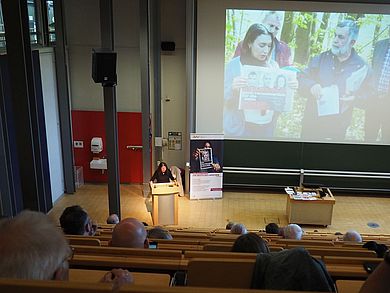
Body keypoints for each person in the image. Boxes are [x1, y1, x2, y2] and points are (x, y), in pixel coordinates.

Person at [298, 20, 370, 141]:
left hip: (337, 128)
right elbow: (302, 77)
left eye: (341, 37)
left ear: (352, 42)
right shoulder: (320, 59)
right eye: (335, 35)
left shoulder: (361, 67)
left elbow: (370, 94)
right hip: (312, 123)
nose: (335, 40)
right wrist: (311, 86)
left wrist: (355, 99)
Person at [364, 32, 390, 143]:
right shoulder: (380, 45)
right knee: (369, 136)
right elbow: (373, 69)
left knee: (387, 138)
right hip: (374, 100)